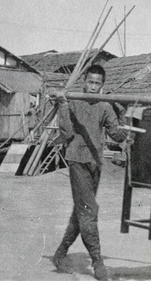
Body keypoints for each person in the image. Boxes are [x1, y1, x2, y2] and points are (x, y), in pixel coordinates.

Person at [50, 64, 127, 281]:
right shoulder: (72, 101)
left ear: (102, 85)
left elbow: (116, 135)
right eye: (90, 82)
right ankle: (97, 262)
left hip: (95, 163)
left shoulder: (103, 106)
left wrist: (122, 114)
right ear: (84, 81)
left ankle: (60, 254)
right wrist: (64, 104)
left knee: (81, 212)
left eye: (97, 83)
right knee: (89, 209)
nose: (93, 87)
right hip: (77, 160)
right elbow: (65, 132)